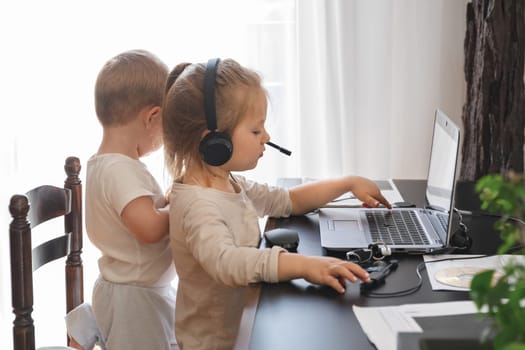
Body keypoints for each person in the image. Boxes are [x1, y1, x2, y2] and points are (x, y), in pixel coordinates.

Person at [162, 58, 392, 349]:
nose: (266, 137)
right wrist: (302, 265)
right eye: (256, 131)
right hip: (216, 344)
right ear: (215, 143)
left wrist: (346, 183)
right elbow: (227, 262)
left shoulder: (227, 182)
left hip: (245, 325)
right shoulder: (198, 204)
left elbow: (287, 200)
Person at [66, 49, 178, 350]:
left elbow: (137, 216)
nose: (164, 139)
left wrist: (163, 204)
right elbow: (150, 229)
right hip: (135, 302)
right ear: (152, 117)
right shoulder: (120, 170)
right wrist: (176, 205)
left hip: (132, 290)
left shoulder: (107, 164)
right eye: (166, 129)